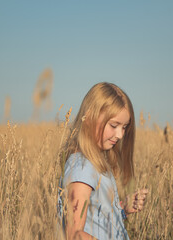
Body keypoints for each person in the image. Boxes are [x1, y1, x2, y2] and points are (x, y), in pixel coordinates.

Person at [57, 82, 149, 240]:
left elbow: (96, 222)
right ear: (90, 116)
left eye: (124, 127)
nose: (120, 135)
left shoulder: (92, 163)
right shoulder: (81, 167)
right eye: (114, 125)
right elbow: (74, 235)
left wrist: (122, 209)